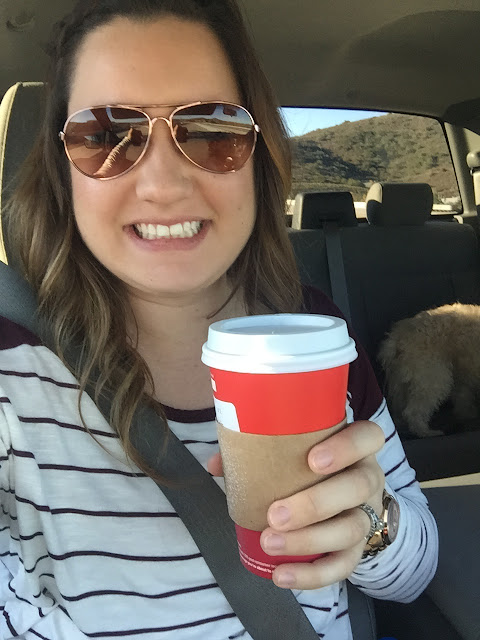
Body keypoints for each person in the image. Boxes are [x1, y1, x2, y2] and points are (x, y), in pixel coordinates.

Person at [0, 0, 438, 638]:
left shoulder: (311, 331)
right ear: (63, 171)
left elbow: (414, 573)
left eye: (212, 128)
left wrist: (373, 525)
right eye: (105, 135)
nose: (163, 184)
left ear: (259, 155)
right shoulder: (9, 363)